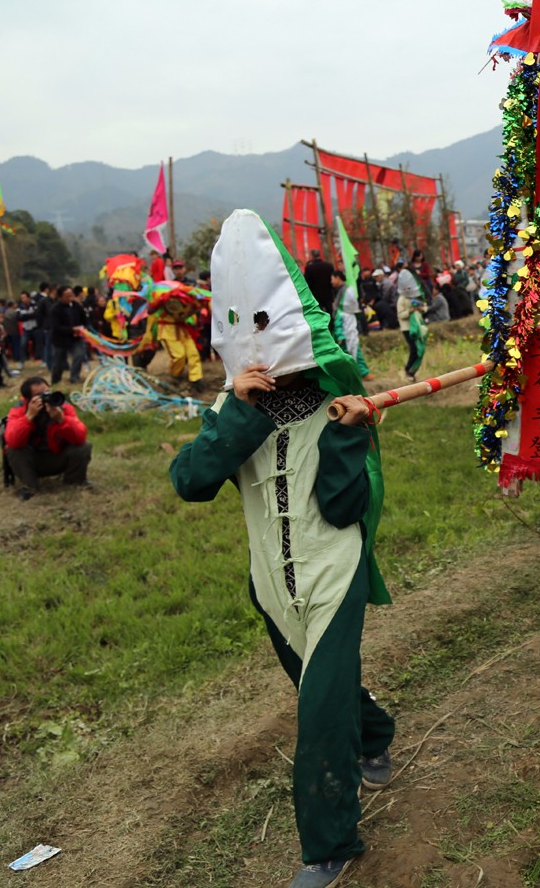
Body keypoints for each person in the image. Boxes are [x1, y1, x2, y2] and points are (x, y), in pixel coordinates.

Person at [172, 209, 395, 888]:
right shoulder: (233, 409)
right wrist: (237, 411)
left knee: (317, 710)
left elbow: (345, 508)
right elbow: (191, 483)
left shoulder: (338, 404)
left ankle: (329, 845)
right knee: (319, 688)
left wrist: (350, 436)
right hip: (270, 580)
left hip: (333, 570)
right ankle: (376, 734)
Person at [4, 377, 93, 500]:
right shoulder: (19, 410)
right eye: (39, 395)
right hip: (33, 461)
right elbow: (13, 441)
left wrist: (62, 420)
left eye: (47, 392)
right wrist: (28, 417)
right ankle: (30, 487)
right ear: (28, 399)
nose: (46, 397)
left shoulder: (63, 407)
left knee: (84, 446)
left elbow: (80, 437)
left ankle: (74, 482)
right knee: (13, 449)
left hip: (58, 456)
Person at [49, 286, 89, 385]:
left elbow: (84, 319)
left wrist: (84, 328)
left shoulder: (76, 306)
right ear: (60, 297)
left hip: (75, 338)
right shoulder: (55, 309)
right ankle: (55, 381)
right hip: (60, 340)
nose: (70, 298)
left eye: (71, 295)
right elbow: (56, 327)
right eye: (67, 296)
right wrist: (72, 329)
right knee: (58, 362)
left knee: (79, 355)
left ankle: (74, 377)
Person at [395, 262, 426, 380]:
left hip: (418, 326)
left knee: (420, 350)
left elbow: (425, 307)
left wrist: (421, 309)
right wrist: (410, 311)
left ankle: (413, 372)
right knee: (414, 349)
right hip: (407, 328)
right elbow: (400, 315)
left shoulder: (416, 297)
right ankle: (408, 370)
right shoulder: (401, 299)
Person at [304, 249, 337, 321]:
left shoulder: (309, 268)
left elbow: (307, 283)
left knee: (320, 315)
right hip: (328, 294)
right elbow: (333, 280)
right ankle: (332, 326)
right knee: (330, 313)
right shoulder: (329, 266)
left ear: (312, 256)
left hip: (316, 295)